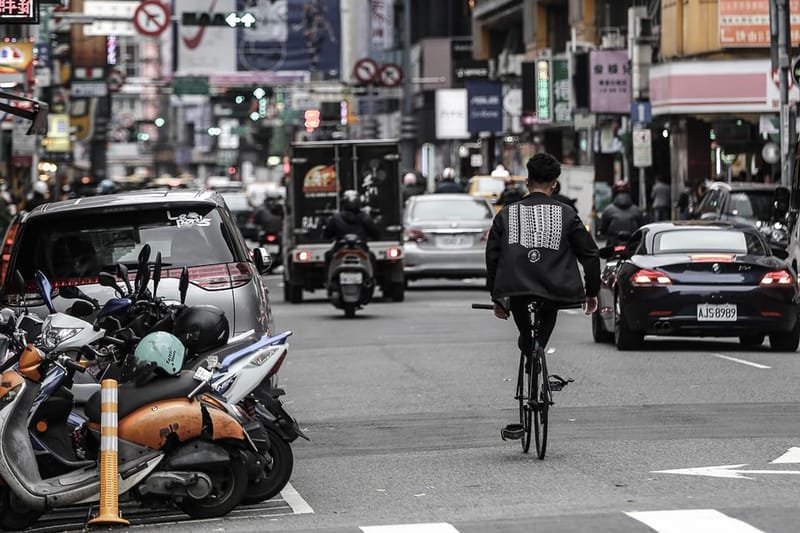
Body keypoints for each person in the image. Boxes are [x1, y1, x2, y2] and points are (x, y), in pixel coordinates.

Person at [485, 152, 600, 421]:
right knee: (547, 317)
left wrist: (497, 296)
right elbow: (591, 255)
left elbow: (492, 256)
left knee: (526, 332)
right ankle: (537, 349)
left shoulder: (506, 215)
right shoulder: (567, 214)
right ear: (555, 184)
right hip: (555, 288)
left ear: (527, 181)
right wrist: (591, 291)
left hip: (515, 288)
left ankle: (529, 347)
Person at [323, 190, 380, 270]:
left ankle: (327, 280)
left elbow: (327, 235)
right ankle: (372, 279)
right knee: (372, 257)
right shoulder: (365, 217)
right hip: (361, 248)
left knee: (328, 256)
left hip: (340, 248)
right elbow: (376, 234)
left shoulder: (336, 218)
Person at [599, 180, 645, 246]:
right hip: (632, 245)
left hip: (614, 245)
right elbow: (642, 229)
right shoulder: (637, 210)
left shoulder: (607, 210)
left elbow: (603, 230)